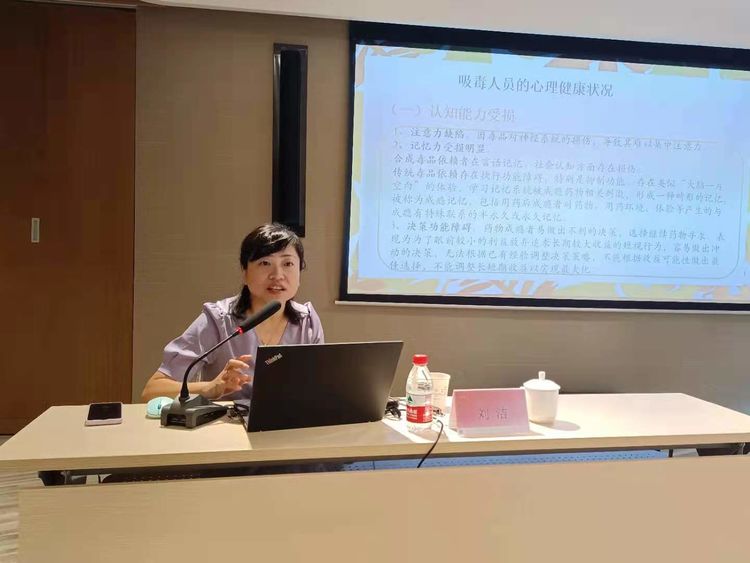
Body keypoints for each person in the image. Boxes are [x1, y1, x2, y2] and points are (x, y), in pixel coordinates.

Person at [141, 223, 323, 403]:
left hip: (289, 422)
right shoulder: (218, 320)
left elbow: (319, 391)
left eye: (288, 263)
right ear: (245, 272)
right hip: (227, 422)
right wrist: (209, 387)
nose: (277, 275)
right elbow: (152, 391)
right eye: (265, 263)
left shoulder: (307, 321)